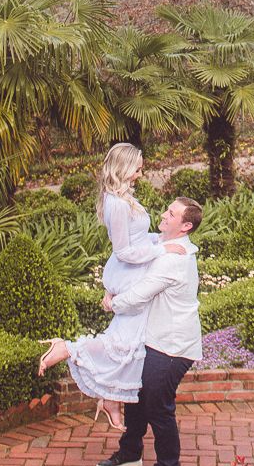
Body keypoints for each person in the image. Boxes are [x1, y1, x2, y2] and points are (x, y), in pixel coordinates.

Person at [35, 143, 176, 429]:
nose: (140, 172)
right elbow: (123, 251)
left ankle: (110, 397)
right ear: (123, 167)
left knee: (132, 340)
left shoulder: (125, 198)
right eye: (137, 167)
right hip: (130, 271)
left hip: (134, 268)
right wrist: (162, 251)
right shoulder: (117, 204)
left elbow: (137, 239)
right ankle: (68, 349)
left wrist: (158, 241)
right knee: (125, 342)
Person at [94, 195, 203, 466]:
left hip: (172, 346)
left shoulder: (173, 260)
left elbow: (141, 293)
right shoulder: (163, 245)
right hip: (156, 340)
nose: (165, 215)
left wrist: (112, 303)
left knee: (158, 405)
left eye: (172, 214)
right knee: (138, 395)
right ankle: (131, 452)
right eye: (167, 210)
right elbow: (134, 249)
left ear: (186, 226)